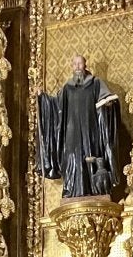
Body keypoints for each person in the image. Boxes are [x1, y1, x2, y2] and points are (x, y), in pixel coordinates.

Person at [35, 54, 123, 199]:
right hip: (71, 135)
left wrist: (108, 106)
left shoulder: (95, 83)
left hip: (91, 131)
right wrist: (42, 98)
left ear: (85, 65)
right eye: (74, 64)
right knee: (71, 159)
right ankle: (70, 189)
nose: (77, 67)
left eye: (80, 64)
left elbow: (108, 100)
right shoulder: (67, 89)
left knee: (92, 157)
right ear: (71, 66)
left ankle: (95, 190)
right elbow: (55, 107)